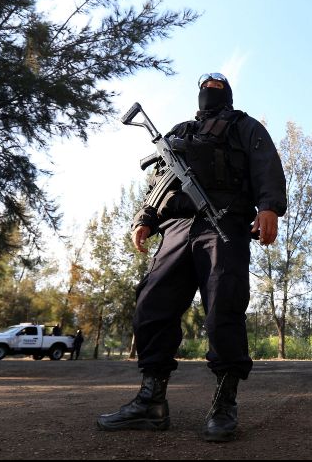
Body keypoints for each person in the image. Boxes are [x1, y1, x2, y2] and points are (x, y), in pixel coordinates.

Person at [96, 72, 287, 442]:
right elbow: (159, 180)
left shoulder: (244, 126)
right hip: (178, 227)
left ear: (228, 93)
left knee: (223, 308)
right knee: (151, 304)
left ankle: (224, 403)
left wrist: (269, 207)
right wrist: (146, 218)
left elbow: (266, 163)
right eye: (205, 87)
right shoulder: (181, 129)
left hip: (225, 222)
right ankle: (151, 402)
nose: (210, 91)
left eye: (217, 87)